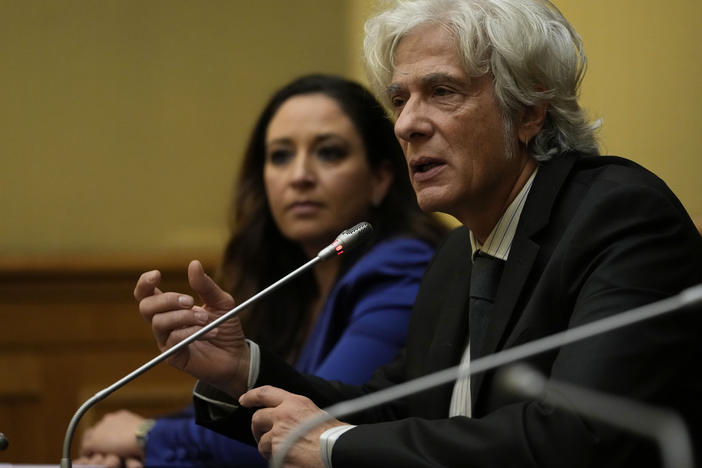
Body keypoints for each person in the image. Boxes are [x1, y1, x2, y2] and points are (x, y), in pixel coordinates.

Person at [136, 1, 702, 467]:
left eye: (442, 92)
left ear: (529, 111)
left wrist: (333, 445)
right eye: (401, 99)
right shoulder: (457, 253)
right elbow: (391, 409)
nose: (407, 124)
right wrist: (240, 370)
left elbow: (577, 437)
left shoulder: (619, 218)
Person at [76, 74, 447, 467]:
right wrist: (136, 449)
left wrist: (147, 439)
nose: (300, 175)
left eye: (329, 153)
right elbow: (242, 416)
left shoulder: (401, 266)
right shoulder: (293, 280)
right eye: (281, 156)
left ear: (380, 178)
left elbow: (305, 427)